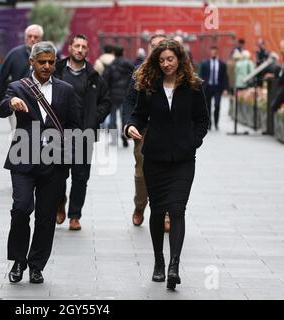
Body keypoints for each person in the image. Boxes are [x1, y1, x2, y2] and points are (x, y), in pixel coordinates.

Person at [124, 39, 209, 290]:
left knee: (177, 209)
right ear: (156, 62)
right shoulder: (149, 85)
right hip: (155, 158)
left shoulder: (193, 86)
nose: (166, 64)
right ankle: (158, 262)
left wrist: (193, 141)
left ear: (179, 59)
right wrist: (130, 127)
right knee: (158, 211)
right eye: (161, 60)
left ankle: (174, 265)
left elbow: (203, 119)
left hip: (183, 159)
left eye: (170, 59)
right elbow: (138, 114)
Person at [0, 41, 81, 284]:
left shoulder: (66, 90)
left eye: (51, 62)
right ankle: (18, 260)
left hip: (54, 161)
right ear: (31, 62)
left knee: (45, 217)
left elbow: (74, 125)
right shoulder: (18, 87)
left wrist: (70, 155)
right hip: (23, 157)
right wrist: (9, 103)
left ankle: (36, 265)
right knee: (21, 208)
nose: (46, 66)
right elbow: (1, 110)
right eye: (41, 61)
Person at [54, 34, 111, 231]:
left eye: (84, 47)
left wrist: (94, 118)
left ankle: (75, 215)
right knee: (58, 175)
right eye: (76, 46)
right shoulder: (56, 71)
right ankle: (60, 202)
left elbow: (106, 101)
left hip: (83, 135)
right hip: (59, 134)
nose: (80, 50)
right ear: (69, 48)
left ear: (88, 51)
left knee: (80, 177)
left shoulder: (94, 76)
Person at [122, 34, 170, 229]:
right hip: (144, 130)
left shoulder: (178, 72)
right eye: (154, 46)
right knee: (142, 171)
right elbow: (129, 101)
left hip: (169, 131)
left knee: (169, 172)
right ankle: (140, 205)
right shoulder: (139, 72)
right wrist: (128, 125)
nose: (158, 49)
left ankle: (167, 214)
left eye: (162, 46)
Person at [0, 24, 44, 131]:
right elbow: (1, 76)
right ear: (25, 38)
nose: (32, 39)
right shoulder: (14, 54)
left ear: (41, 39)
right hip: (17, 102)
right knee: (17, 134)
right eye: (29, 36)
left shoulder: (47, 56)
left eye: (35, 37)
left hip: (41, 103)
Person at [103, 45, 134, 147]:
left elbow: (105, 81)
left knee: (112, 117)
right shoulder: (129, 64)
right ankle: (124, 135)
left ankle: (114, 138)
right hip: (125, 94)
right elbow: (134, 77)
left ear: (114, 53)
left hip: (113, 94)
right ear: (123, 52)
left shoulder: (111, 65)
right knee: (124, 116)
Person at [199, 45, 228, 130]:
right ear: (210, 52)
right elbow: (201, 76)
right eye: (212, 51)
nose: (213, 53)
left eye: (215, 51)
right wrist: (201, 87)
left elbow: (225, 77)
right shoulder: (205, 64)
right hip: (207, 87)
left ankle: (216, 123)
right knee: (207, 106)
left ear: (217, 52)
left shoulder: (222, 64)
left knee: (217, 105)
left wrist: (226, 89)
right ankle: (209, 124)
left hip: (218, 88)